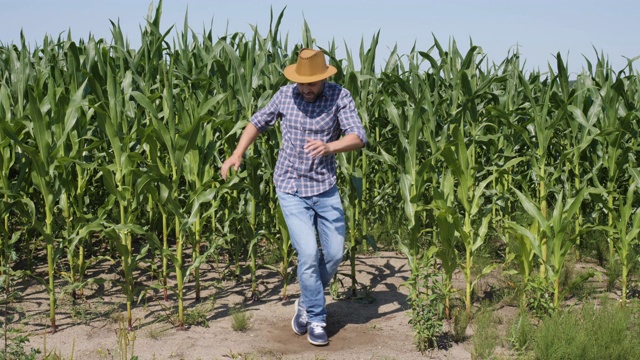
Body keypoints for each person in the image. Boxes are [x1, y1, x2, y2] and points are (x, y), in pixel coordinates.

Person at [220, 48, 367, 346]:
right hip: (291, 188)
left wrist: (330, 147)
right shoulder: (286, 95)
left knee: (336, 254)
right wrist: (237, 153)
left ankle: (306, 300)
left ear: (323, 78)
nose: (306, 88)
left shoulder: (340, 96)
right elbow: (257, 122)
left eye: (312, 83)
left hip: (325, 188)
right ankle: (316, 318)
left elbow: (358, 136)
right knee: (309, 255)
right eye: (302, 83)